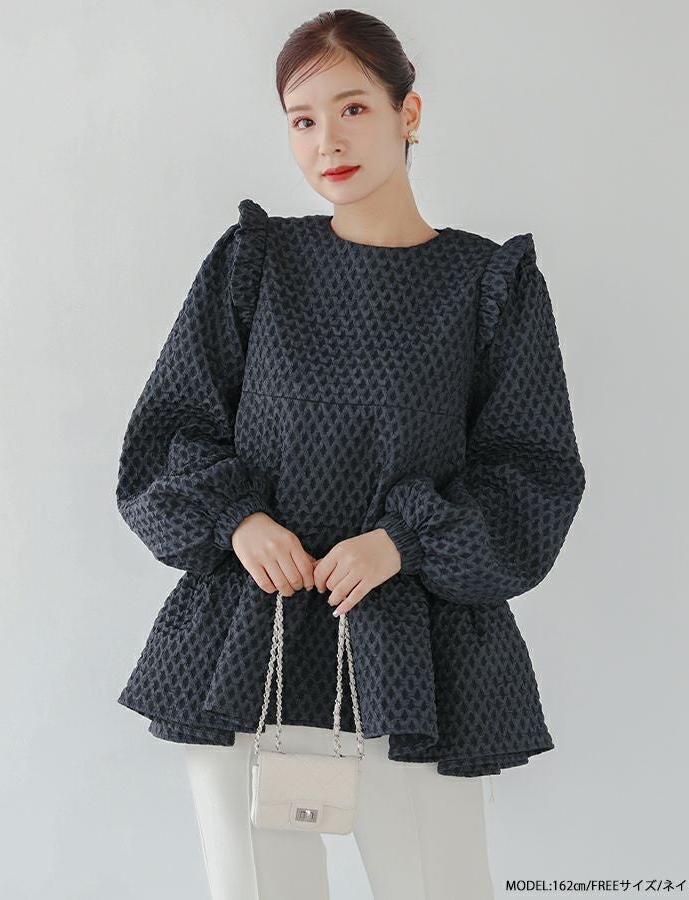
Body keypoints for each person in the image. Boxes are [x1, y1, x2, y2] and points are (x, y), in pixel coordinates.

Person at [114, 9, 586, 899]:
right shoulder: (255, 262)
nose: (326, 140)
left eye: (353, 108)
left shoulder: (490, 285)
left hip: (416, 655)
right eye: (301, 118)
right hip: (245, 640)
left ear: (410, 113)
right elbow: (168, 432)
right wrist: (238, 519)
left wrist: (402, 542)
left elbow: (533, 472)